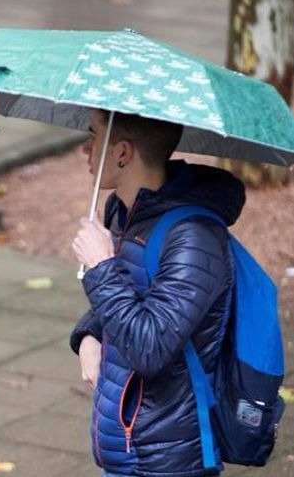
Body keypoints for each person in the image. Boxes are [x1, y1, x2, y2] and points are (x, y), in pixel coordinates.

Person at [69, 109, 245, 476]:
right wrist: (89, 334)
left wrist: (100, 264)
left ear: (122, 153)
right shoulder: (126, 211)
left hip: (167, 456)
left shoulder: (194, 238)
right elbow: (132, 290)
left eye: (94, 135)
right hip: (126, 442)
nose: (85, 147)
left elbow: (150, 348)